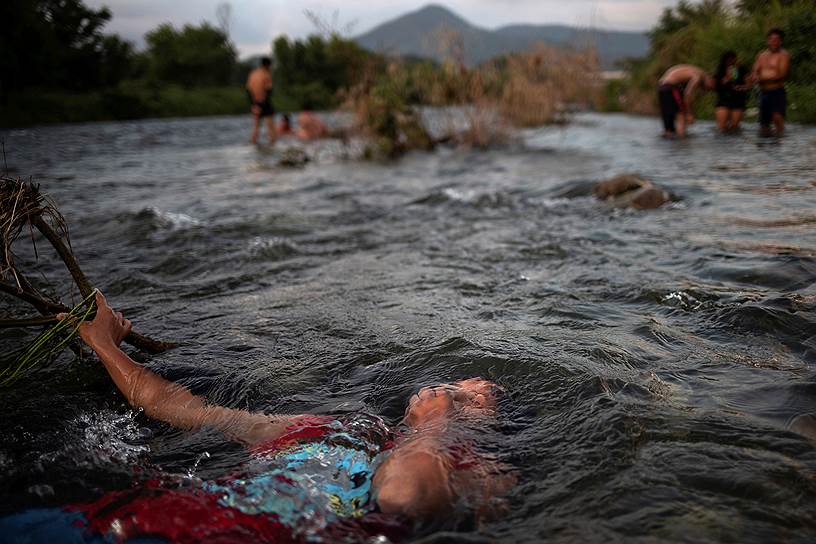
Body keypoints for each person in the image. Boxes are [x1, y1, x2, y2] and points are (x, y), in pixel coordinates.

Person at [0, 292, 514, 542]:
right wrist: (105, 344)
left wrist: (437, 424)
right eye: (447, 386)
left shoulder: (477, 478)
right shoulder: (339, 429)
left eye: (469, 397)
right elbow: (183, 408)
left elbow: (404, 496)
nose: (442, 392)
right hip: (126, 524)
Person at [657, 64, 716, 138]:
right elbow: (687, 95)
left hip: (661, 88)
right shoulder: (698, 76)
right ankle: (682, 143)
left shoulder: (693, 70)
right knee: (680, 116)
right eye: (710, 88)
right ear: (711, 79)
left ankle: (671, 145)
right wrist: (689, 113)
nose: (708, 90)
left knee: (669, 127)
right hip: (670, 88)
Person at [752, 28, 790, 136]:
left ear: (780, 41)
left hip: (776, 91)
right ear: (767, 41)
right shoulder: (761, 55)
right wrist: (754, 76)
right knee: (764, 124)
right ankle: (765, 148)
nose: (773, 42)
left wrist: (762, 79)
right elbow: (755, 70)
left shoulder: (783, 55)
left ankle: (780, 144)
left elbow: (782, 75)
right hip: (763, 92)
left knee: (777, 118)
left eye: (776, 40)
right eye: (771, 39)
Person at [714, 51, 750, 133]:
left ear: (735, 59)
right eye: (728, 60)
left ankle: (734, 142)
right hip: (723, 99)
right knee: (721, 127)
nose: (730, 62)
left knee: (734, 127)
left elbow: (749, 85)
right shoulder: (720, 69)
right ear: (724, 61)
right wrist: (728, 77)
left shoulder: (742, 68)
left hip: (738, 99)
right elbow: (716, 85)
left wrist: (741, 87)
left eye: (732, 59)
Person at [246, 57, 276, 145]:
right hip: (264, 102)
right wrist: (262, 105)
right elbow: (268, 91)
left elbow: (248, 91)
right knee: (271, 126)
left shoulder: (253, 74)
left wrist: (254, 105)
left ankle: (253, 144)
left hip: (255, 103)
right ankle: (273, 145)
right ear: (267, 65)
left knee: (256, 127)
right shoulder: (266, 75)